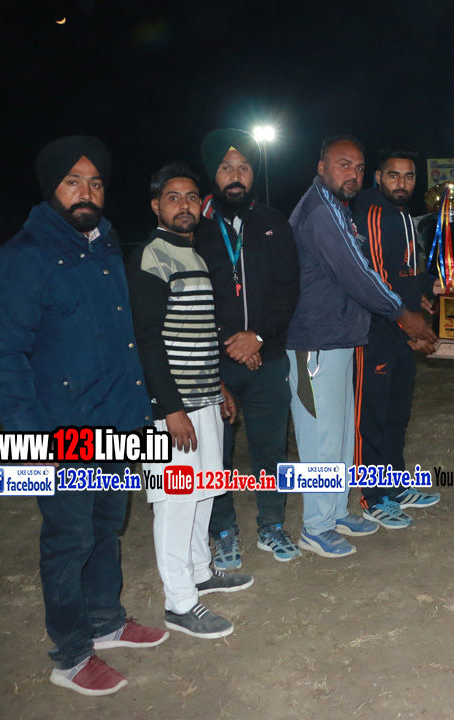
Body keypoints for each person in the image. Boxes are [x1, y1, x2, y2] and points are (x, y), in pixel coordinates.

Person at [0, 136, 167, 695]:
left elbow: (122, 344)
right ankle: (70, 654)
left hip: (116, 422)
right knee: (69, 542)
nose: (86, 192)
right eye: (72, 181)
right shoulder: (22, 258)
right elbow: (4, 355)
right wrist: (32, 441)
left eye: (95, 182)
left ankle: (106, 621)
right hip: (61, 431)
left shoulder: (106, 250)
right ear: (51, 189)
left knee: (106, 527)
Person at [287, 136, 436, 557]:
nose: (351, 173)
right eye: (342, 164)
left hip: (339, 337)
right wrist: (402, 313)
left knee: (337, 436)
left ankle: (335, 513)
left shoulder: (336, 208)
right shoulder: (320, 212)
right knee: (320, 439)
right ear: (321, 168)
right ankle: (315, 527)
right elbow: (357, 272)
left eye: (357, 166)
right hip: (314, 342)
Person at [129, 162, 254, 639]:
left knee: (203, 490)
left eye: (190, 197)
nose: (183, 205)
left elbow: (198, 333)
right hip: (170, 409)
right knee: (175, 502)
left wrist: (217, 385)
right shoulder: (151, 257)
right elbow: (147, 341)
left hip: (202, 398)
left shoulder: (194, 255)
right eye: (172, 197)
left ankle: (200, 571)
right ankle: (179, 603)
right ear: (155, 205)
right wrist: (170, 409)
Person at [194, 129, 301, 567]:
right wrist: (230, 344)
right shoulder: (193, 225)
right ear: (212, 174)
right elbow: (188, 298)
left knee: (270, 449)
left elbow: (288, 289)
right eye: (226, 167)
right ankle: (223, 532)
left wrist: (257, 335)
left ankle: (271, 525)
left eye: (243, 167)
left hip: (267, 357)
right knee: (215, 456)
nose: (235, 176)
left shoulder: (274, 222)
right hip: (213, 366)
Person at [352, 146, 441, 528]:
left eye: (408, 176)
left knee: (396, 415)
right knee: (371, 418)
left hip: (401, 329)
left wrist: (421, 292)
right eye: (393, 175)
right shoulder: (372, 212)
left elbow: (400, 270)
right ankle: (373, 497)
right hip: (375, 332)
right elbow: (372, 278)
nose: (401, 183)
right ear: (378, 177)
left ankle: (395, 486)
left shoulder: (401, 214)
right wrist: (409, 322)